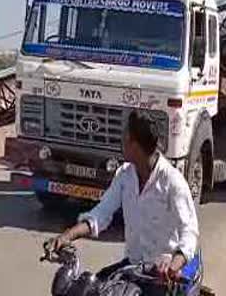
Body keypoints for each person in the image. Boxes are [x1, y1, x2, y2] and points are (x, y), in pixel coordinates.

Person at [45, 111, 199, 294]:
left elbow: (189, 231)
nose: (121, 142)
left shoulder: (172, 182)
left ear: (134, 145)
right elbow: (100, 214)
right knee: (92, 288)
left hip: (161, 276)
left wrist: (174, 264)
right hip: (132, 268)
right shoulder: (124, 176)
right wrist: (65, 237)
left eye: (124, 138)